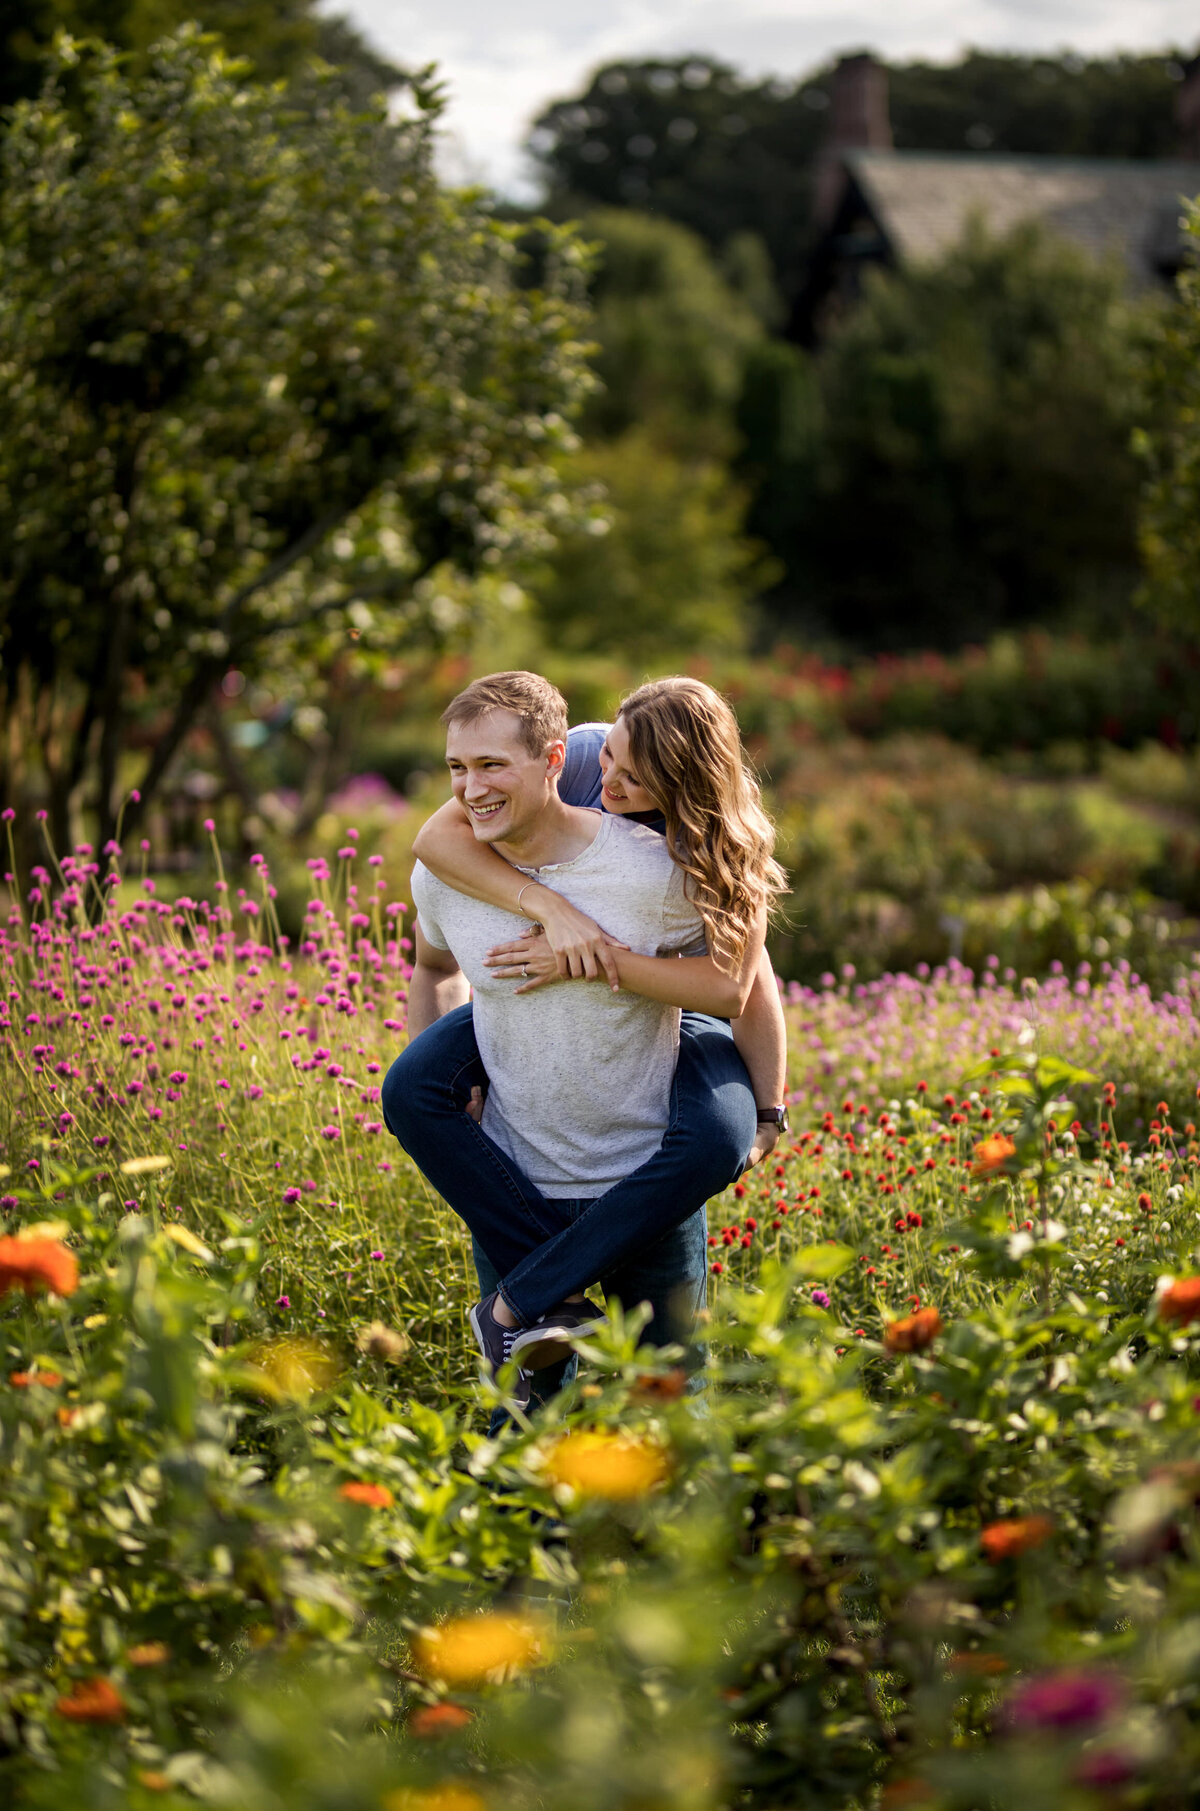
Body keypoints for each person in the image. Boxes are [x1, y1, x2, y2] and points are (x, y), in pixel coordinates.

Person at [381, 672, 788, 1404]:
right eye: (610, 761)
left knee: (716, 1138)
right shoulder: (584, 754)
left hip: (670, 1000)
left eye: (634, 778)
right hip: (527, 1065)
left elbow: (742, 987)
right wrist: (547, 907)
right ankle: (534, 1331)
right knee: (412, 1086)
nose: (612, 780)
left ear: (686, 786)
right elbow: (438, 836)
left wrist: (770, 1111)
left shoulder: (704, 854)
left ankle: (522, 1302)